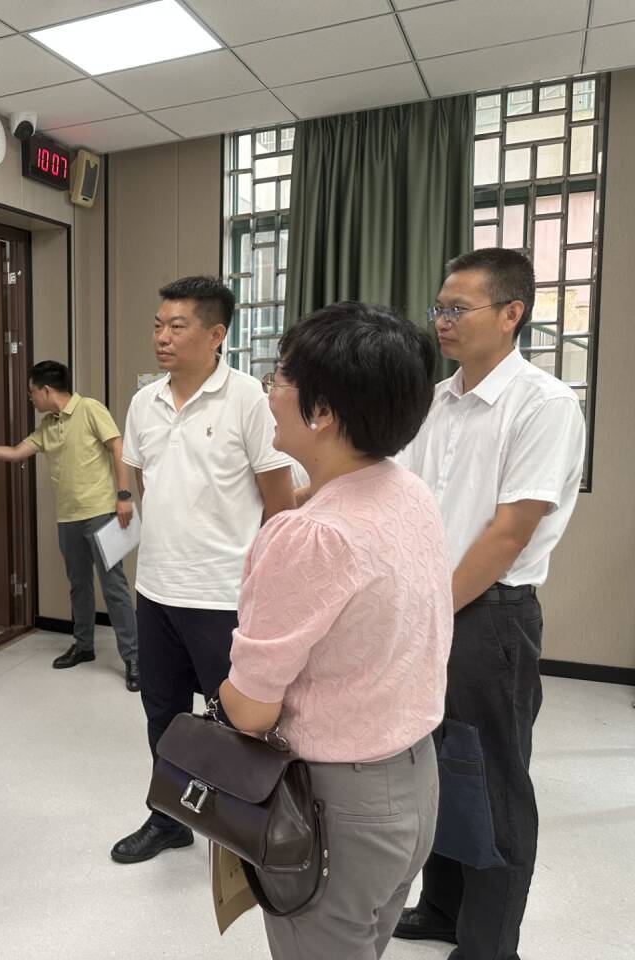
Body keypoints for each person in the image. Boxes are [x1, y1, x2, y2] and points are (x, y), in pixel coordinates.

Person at [219, 301, 451, 959]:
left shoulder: (311, 536)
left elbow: (251, 709)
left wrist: (226, 688)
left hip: (334, 801)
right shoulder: (408, 491)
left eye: (279, 376)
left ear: (320, 411)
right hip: (413, 779)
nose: (268, 390)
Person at [393, 248, 586, 960]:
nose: (442, 321)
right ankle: (443, 908)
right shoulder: (434, 401)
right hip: (430, 604)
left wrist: (430, 611)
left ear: (512, 313)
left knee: (492, 779)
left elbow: (508, 534)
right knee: (438, 764)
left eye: (458, 308)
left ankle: (489, 946)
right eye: (438, 308)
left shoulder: (544, 404)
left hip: (490, 616)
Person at [112, 275, 294, 864]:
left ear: (216, 334)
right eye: (157, 325)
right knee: (163, 713)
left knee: (237, 721)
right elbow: (147, 483)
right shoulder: (144, 402)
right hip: (156, 589)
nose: (162, 337)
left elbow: (280, 502)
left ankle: (244, 829)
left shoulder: (249, 401)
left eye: (177, 326)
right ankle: (168, 819)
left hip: (223, 595)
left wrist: (266, 585)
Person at [0, 360, 140, 690]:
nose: (31, 398)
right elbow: (16, 452)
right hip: (68, 518)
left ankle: (134, 658)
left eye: (32, 392)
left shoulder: (90, 409)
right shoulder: (48, 425)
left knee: (113, 587)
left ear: (46, 390)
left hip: (101, 512)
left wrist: (124, 495)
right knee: (78, 585)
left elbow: (117, 446)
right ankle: (84, 646)